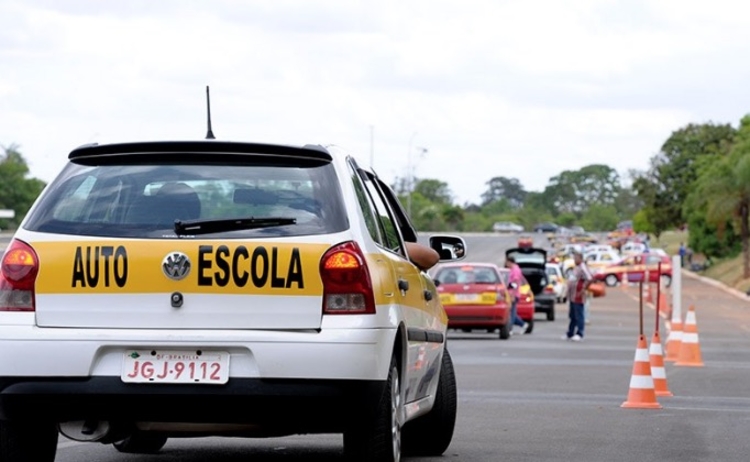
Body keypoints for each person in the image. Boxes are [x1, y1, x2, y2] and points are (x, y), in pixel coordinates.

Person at [563, 251, 593, 342]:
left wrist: (584, 289)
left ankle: (580, 333)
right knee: (572, 315)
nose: (574, 260)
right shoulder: (576, 268)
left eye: (576, 258)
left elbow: (590, 278)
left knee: (579, 314)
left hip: (578, 295)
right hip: (572, 295)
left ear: (580, 259)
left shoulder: (583, 267)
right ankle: (570, 333)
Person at [505, 255, 529, 335]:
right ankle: (523, 324)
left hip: (513, 294)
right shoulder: (514, 269)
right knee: (512, 312)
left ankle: (510, 329)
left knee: (512, 313)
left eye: (506, 262)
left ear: (509, 262)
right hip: (511, 293)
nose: (505, 264)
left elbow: (515, 283)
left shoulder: (515, 270)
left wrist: (513, 295)